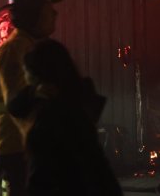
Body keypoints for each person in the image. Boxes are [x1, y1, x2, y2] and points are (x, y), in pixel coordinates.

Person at [8, 39, 122, 196]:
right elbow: (14, 107)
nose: (25, 77)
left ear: (38, 74)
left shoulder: (53, 112)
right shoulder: (75, 96)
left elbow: (43, 171)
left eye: (26, 71)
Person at [0, 0, 61, 196]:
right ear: (33, 14)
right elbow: (18, 104)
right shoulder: (15, 50)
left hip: (29, 148)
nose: (54, 12)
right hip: (18, 150)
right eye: (48, 7)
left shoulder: (32, 46)